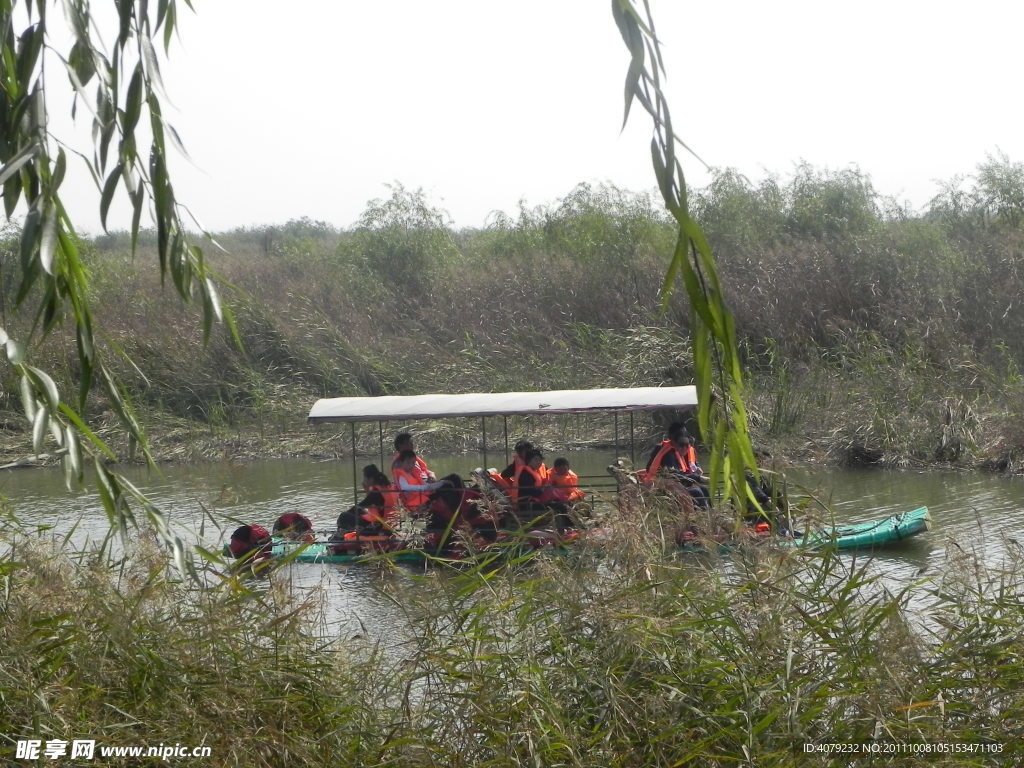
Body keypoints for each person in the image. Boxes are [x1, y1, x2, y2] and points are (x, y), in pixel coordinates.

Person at [641, 422, 711, 508]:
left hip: (678, 484)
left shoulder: (681, 451)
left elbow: (691, 466)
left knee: (704, 489)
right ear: (673, 440)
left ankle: (711, 514)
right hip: (663, 486)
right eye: (682, 444)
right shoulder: (668, 453)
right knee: (697, 492)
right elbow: (674, 475)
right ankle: (702, 517)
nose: (685, 447)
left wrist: (697, 471)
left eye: (687, 444)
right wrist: (698, 478)